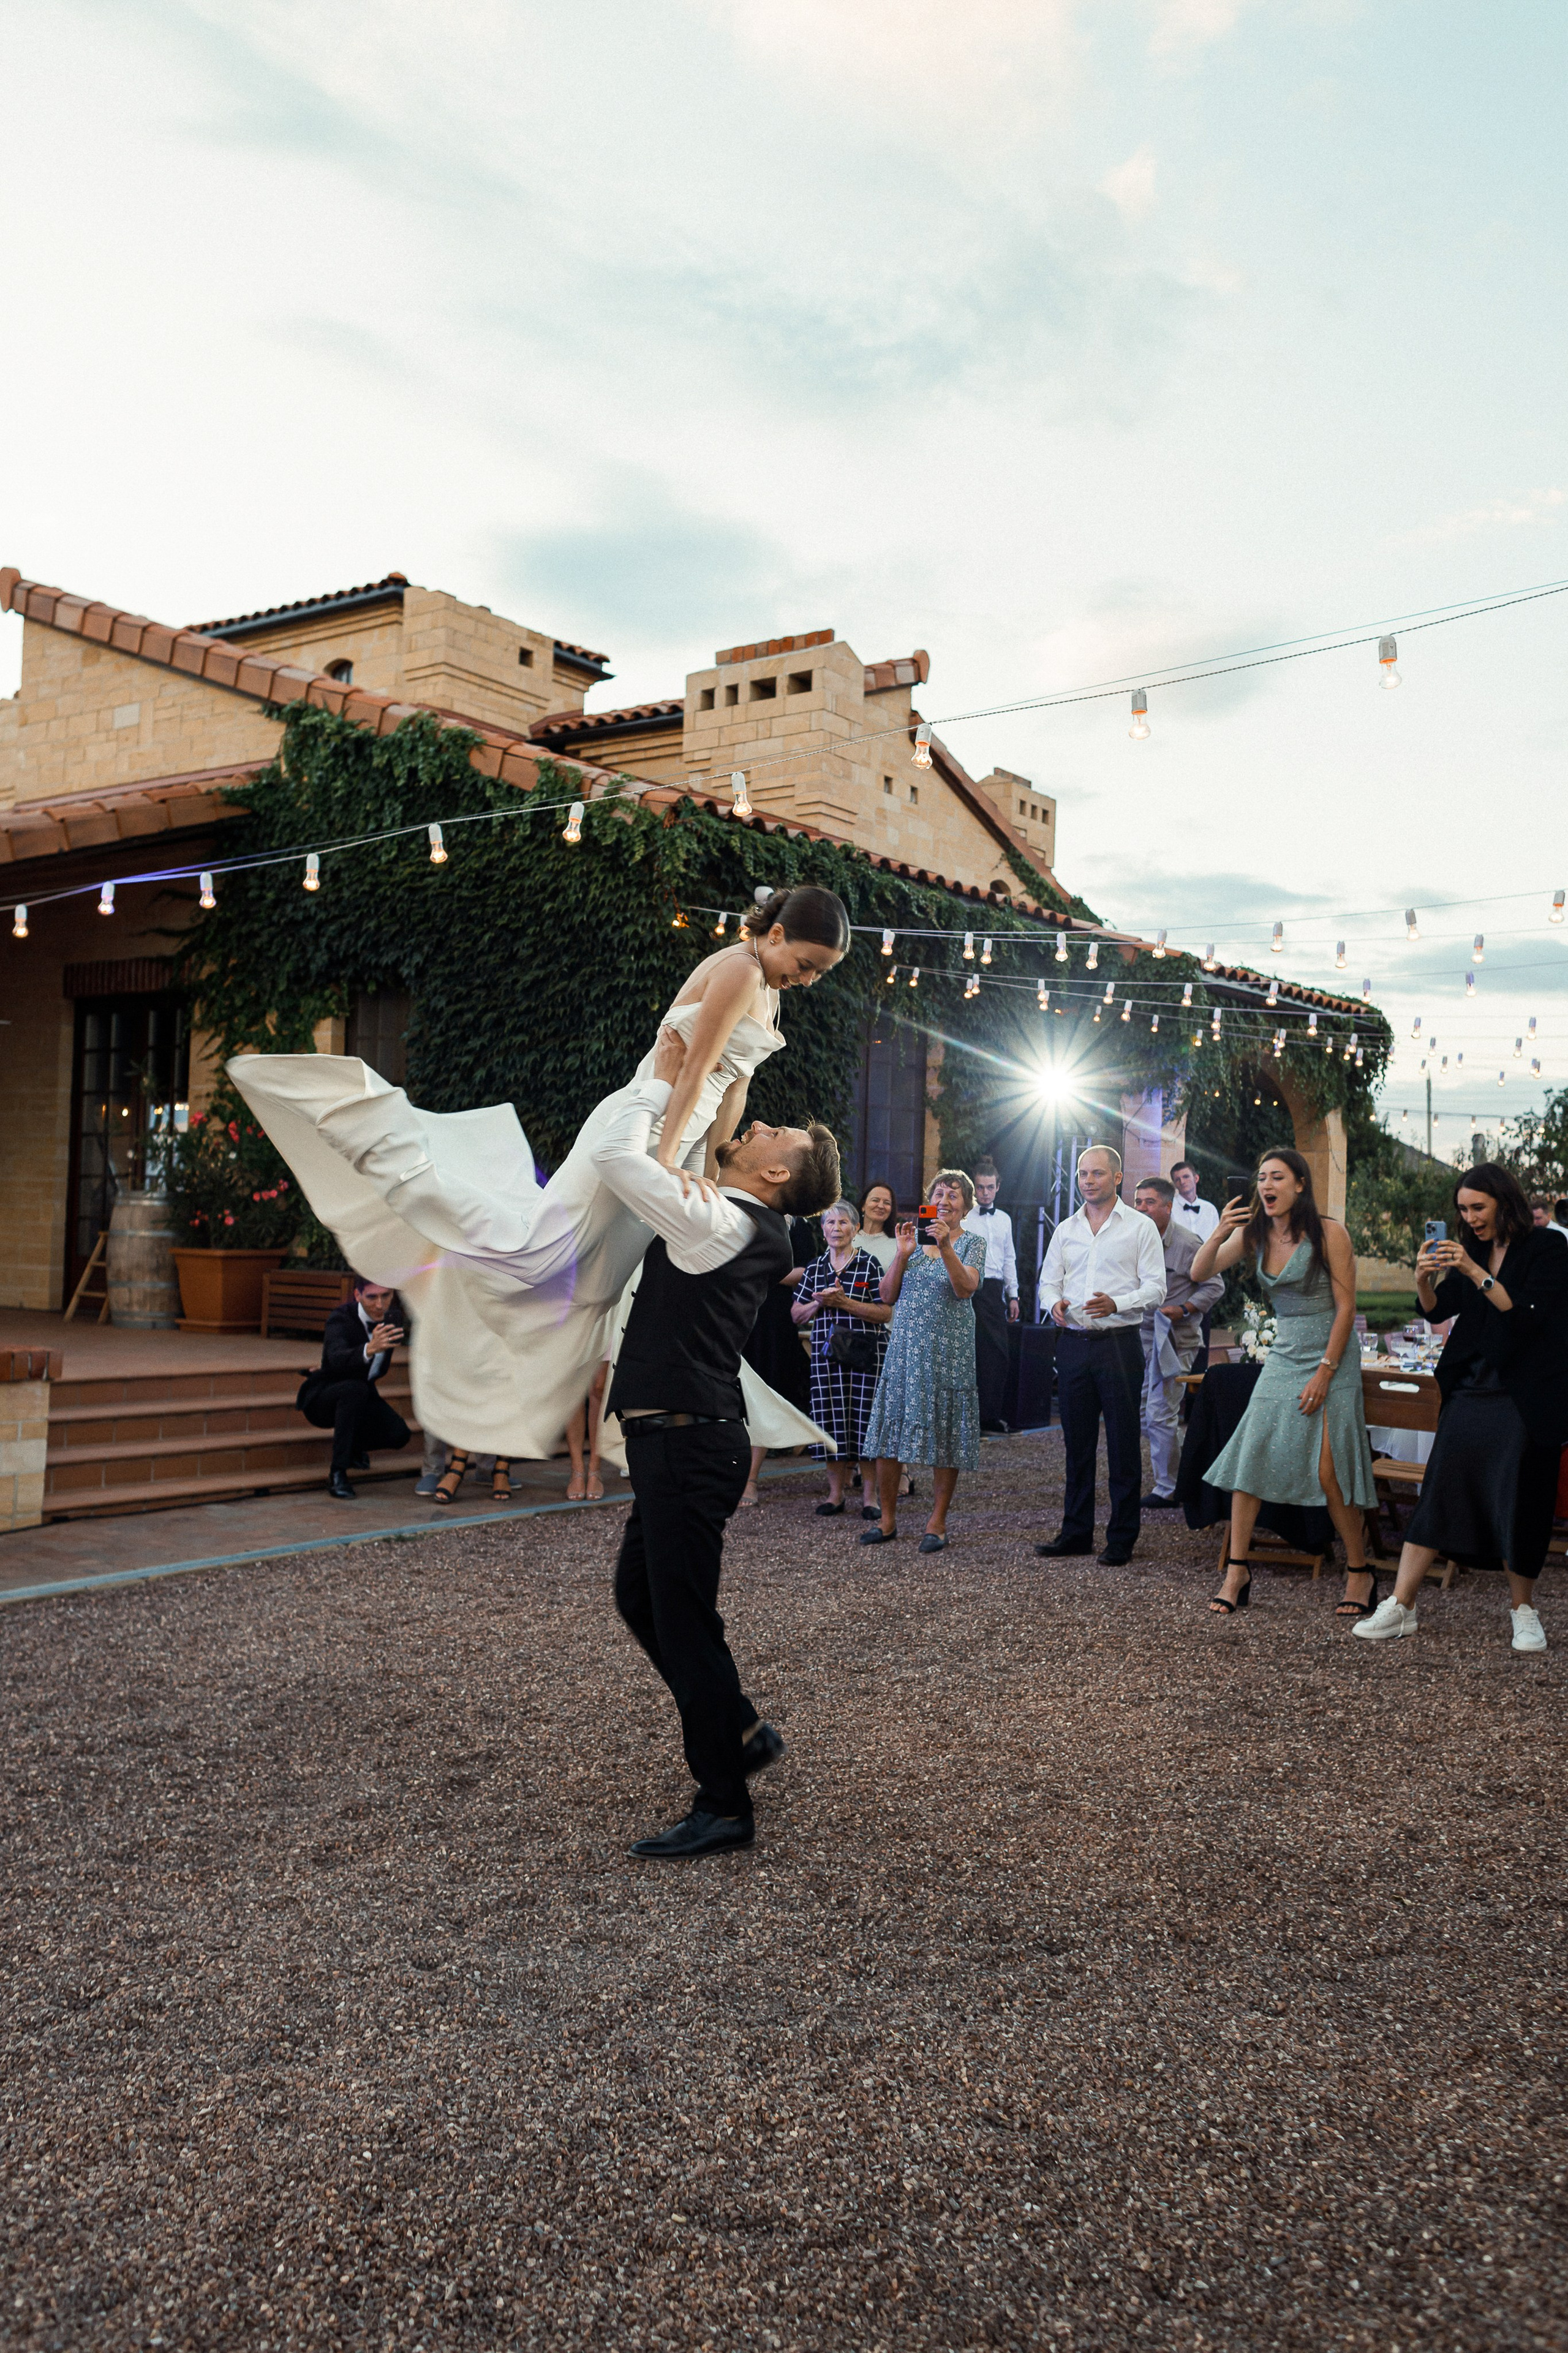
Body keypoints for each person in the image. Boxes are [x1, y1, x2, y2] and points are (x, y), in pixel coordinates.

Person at [229, 884, 849, 1476]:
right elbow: (692, 1074)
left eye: (820, 972)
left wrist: (704, 1166)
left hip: (677, 1136)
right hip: (644, 1118)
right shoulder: (740, 970)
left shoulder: (770, 988)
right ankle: (366, 1127)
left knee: (601, 1280)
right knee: (535, 1249)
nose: (810, 979)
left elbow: (733, 1087)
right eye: (806, 963)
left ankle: (600, 1395)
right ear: (773, 934)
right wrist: (662, 1158)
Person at [593, 1023, 843, 1859]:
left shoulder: (724, 1223)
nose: (763, 1126)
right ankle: (737, 1727)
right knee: (641, 1599)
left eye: (779, 1135)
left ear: (774, 1173)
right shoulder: (732, 1210)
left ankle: (725, 1803)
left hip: (691, 1444)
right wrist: (725, 1062)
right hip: (681, 1440)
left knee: (687, 1621)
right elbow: (716, 1132)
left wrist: (655, 1085)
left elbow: (624, 1165)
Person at [1357, 1163, 1568, 1654]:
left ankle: (1523, 1610)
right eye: (1462, 1209)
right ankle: (1402, 1605)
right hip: (1471, 1386)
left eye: (1478, 1207)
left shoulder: (1548, 1247)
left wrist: (1475, 1272)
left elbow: (1528, 1316)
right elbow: (1435, 1309)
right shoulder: (1470, 1249)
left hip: (1523, 1394)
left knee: (1518, 1494)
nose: (1469, 1217)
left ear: (1503, 1201)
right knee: (1441, 1485)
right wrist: (1424, 1277)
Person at [1191, 1148, 1377, 1615]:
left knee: (1328, 1473)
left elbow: (1347, 1308)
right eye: (1261, 1178)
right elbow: (1198, 1272)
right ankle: (1237, 1570)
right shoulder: (1253, 1234)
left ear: (1299, 1184)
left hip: (1332, 1355)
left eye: (1277, 1177)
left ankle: (1360, 1571)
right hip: (1286, 1352)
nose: (1266, 1185)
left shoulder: (1330, 1233)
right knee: (1250, 1459)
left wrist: (1325, 1371)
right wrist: (1220, 1231)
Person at [1035, 1146, 1167, 1566]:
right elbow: (1048, 1281)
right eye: (1082, 1173)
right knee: (1077, 1446)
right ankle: (1075, 1533)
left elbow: (1157, 1289)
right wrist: (1053, 1302)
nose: (1088, 1180)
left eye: (1097, 1173)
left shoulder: (1140, 1227)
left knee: (1124, 1445)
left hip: (1119, 1344)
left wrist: (1119, 1303)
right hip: (1073, 1345)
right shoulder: (1066, 1229)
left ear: (1117, 1177)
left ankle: (1122, 1538)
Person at [858, 1171, 986, 1554]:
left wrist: (945, 1246)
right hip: (905, 1353)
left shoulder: (973, 1243)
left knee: (946, 1433)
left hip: (950, 1353)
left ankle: (937, 1522)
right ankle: (887, 1519)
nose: (945, 1200)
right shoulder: (910, 1239)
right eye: (939, 1193)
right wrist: (901, 1254)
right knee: (889, 1437)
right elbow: (887, 1295)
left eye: (954, 1195)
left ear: (966, 1205)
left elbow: (965, 1289)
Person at [791, 1200, 892, 1513]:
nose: (837, 1229)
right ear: (823, 1231)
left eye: (844, 1223)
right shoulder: (815, 1268)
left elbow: (885, 1311)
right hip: (826, 1357)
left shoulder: (870, 1264)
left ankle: (870, 1499)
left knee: (866, 1424)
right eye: (831, 1224)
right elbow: (796, 1314)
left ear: (856, 1228)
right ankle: (835, 1495)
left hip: (866, 1356)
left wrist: (845, 1303)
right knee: (830, 1422)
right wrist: (820, 1304)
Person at [1132, 1176, 1224, 1507]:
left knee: (1160, 1414)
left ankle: (1169, 1489)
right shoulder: (1134, 1239)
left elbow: (1215, 1286)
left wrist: (1184, 1308)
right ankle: (1193, 1467)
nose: (1141, 1207)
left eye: (1149, 1202)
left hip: (1177, 1341)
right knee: (1143, 1416)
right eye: (1138, 1201)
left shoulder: (1188, 1243)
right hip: (1141, 1338)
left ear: (1168, 1207)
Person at [296, 1275, 412, 1499]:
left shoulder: (392, 1319)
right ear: (358, 1295)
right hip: (324, 1398)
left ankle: (352, 1447)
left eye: (386, 1295)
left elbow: (373, 1372)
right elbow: (336, 1357)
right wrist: (369, 1349)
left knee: (399, 1435)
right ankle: (338, 1473)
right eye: (372, 1297)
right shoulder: (340, 1318)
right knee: (354, 1390)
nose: (380, 1304)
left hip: (362, 1392)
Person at [962, 1156, 1020, 1432]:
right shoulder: (963, 1218)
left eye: (990, 1187)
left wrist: (1014, 1295)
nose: (985, 1193)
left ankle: (990, 1415)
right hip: (965, 1287)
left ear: (998, 1188)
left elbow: (1010, 1257)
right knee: (967, 1352)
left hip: (994, 1288)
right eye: (980, 1188)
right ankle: (968, 1418)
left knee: (997, 1353)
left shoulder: (1005, 1220)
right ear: (973, 1189)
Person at [1170, 1160, 1219, 1245]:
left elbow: (1217, 1240)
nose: (1182, 1182)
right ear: (1174, 1184)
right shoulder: (1170, 1208)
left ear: (1196, 1178)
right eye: (1178, 1179)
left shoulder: (1210, 1209)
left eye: (1186, 1177)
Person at [856, 1180, 900, 1273]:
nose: (881, 1206)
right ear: (863, 1206)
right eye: (875, 1200)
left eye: (887, 1203)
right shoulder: (845, 1239)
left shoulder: (898, 1245)